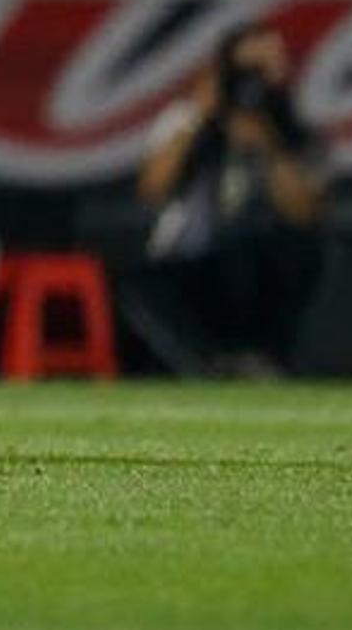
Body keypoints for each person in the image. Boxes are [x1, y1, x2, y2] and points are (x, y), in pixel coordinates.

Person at [137, 27, 328, 376]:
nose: (254, 84)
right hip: (190, 260)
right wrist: (202, 115)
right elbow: (152, 190)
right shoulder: (187, 119)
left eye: (267, 68)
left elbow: (305, 213)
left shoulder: (294, 127)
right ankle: (220, 356)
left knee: (289, 250)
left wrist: (268, 147)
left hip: (268, 264)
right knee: (231, 252)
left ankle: (261, 357)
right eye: (246, 71)